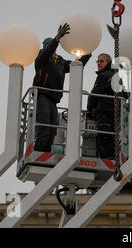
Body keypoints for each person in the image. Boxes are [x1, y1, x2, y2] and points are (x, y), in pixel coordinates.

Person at [33, 23, 92, 152]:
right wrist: (57, 38)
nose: (52, 49)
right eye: (50, 46)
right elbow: (47, 52)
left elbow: (78, 66)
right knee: (45, 126)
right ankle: (39, 151)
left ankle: (46, 151)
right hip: (42, 95)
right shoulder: (41, 59)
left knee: (53, 130)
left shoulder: (60, 62)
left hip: (53, 99)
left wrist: (88, 51)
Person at [86, 53, 120, 159]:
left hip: (105, 113)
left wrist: (89, 111)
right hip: (116, 115)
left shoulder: (104, 76)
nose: (99, 63)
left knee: (104, 142)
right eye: (98, 61)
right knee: (112, 141)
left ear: (108, 62)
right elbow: (126, 94)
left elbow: (94, 95)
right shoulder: (118, 76)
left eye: (102, 61)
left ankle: (107, 162)